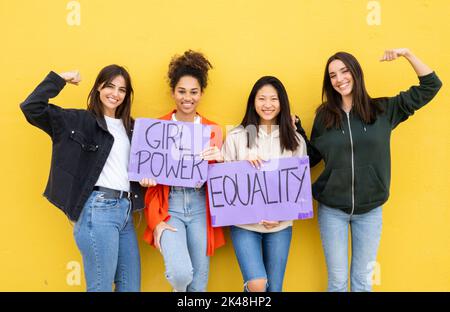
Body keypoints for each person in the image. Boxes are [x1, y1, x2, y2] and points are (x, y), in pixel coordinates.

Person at [310, 49, 442, 292]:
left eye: (344, 71)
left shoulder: (383, 110)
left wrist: (408, 54)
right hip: (332, 211)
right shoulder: (324, 117)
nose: (339, 79)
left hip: (370, 212)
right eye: (333, 75)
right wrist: (294, 132)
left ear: (356, 73)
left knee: (361, 282)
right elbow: (310, 158)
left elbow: (431, 86)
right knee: (337, 282)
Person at [20, 65, 145, 292]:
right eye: (109, 86)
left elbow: (141, 169)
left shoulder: (133, 129)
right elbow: (32, 108)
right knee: (101, 287)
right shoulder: (78, 121)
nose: (115, 94)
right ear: (98, 87)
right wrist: (60, 79)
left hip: (126, 212)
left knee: (131, 287)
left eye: (122, 90)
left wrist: (146, 181)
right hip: (98, 211)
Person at [140, 50, 225, 292]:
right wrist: (147, 182)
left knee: (198, 285)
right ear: (173, 92)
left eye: (194, 92)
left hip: (200, 207)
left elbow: (221, 185)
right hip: (170, 205)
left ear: (201, 94)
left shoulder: (213, 130)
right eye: (182, 91)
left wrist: (220, 161)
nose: (187, 98)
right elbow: (148, 173)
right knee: (180, 274)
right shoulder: (157, 128)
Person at [222, 76, 307, 292]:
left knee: (274, 289)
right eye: (262, 99)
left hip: (280, 226)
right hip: (245, 226)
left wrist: (281, 215)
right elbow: (225, 185)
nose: (267, 105)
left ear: (282, 103)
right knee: (257, 285)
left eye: (273, 99)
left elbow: (298, 188)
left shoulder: (295, 140)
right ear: (253, 102)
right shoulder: (236, 137)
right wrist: (243, 165)